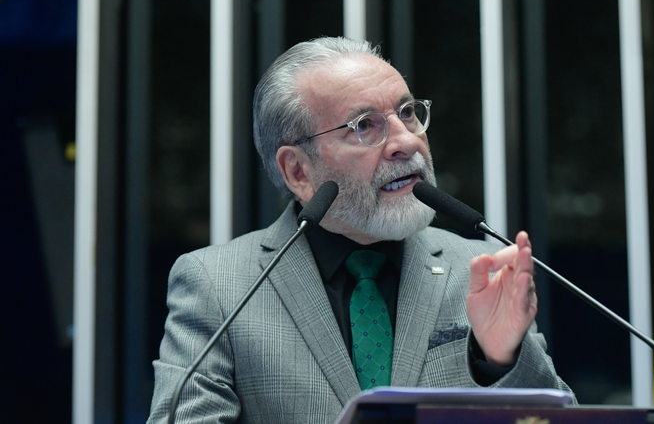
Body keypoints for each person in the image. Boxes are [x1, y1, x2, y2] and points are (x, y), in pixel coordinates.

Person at [147, 37, 574, 423]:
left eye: (407, 113)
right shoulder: (219, 286)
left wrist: (503, 360)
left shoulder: (476, 269)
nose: (406, 141)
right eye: (364, 126)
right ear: (298, 170)